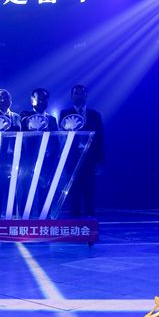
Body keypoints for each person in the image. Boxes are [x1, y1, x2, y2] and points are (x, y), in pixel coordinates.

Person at [60, 84, 104, 218]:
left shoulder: (95, 115)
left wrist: (100, 161)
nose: (79, 96)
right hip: (72, 158)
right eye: (76, 93)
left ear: (86, 96)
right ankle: (75, 218)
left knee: (90, 187)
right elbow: (61, 137)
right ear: (72, 96)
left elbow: (100, 139)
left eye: (82, 93)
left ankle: (90, 218)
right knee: (73, 188)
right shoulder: (65, 114)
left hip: (90, 158)